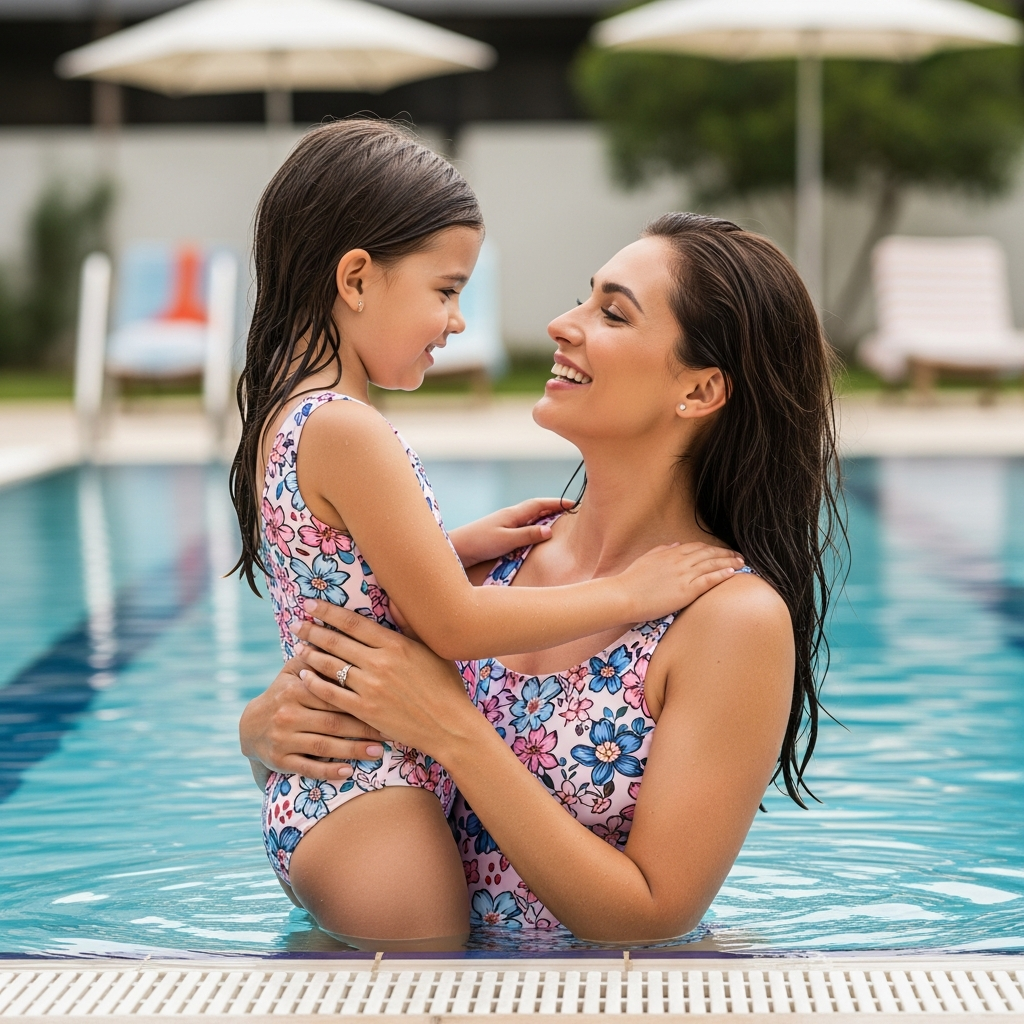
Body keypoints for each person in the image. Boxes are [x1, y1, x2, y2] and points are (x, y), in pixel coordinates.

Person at [241, 212, 842, 945]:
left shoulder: (728, 618)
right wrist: (262, 736)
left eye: (612, 313)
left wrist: (454, 732)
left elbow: (652, 915)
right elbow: (358, 770)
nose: (562, 323)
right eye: (584, 298)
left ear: (700, 390)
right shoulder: (494, 565)